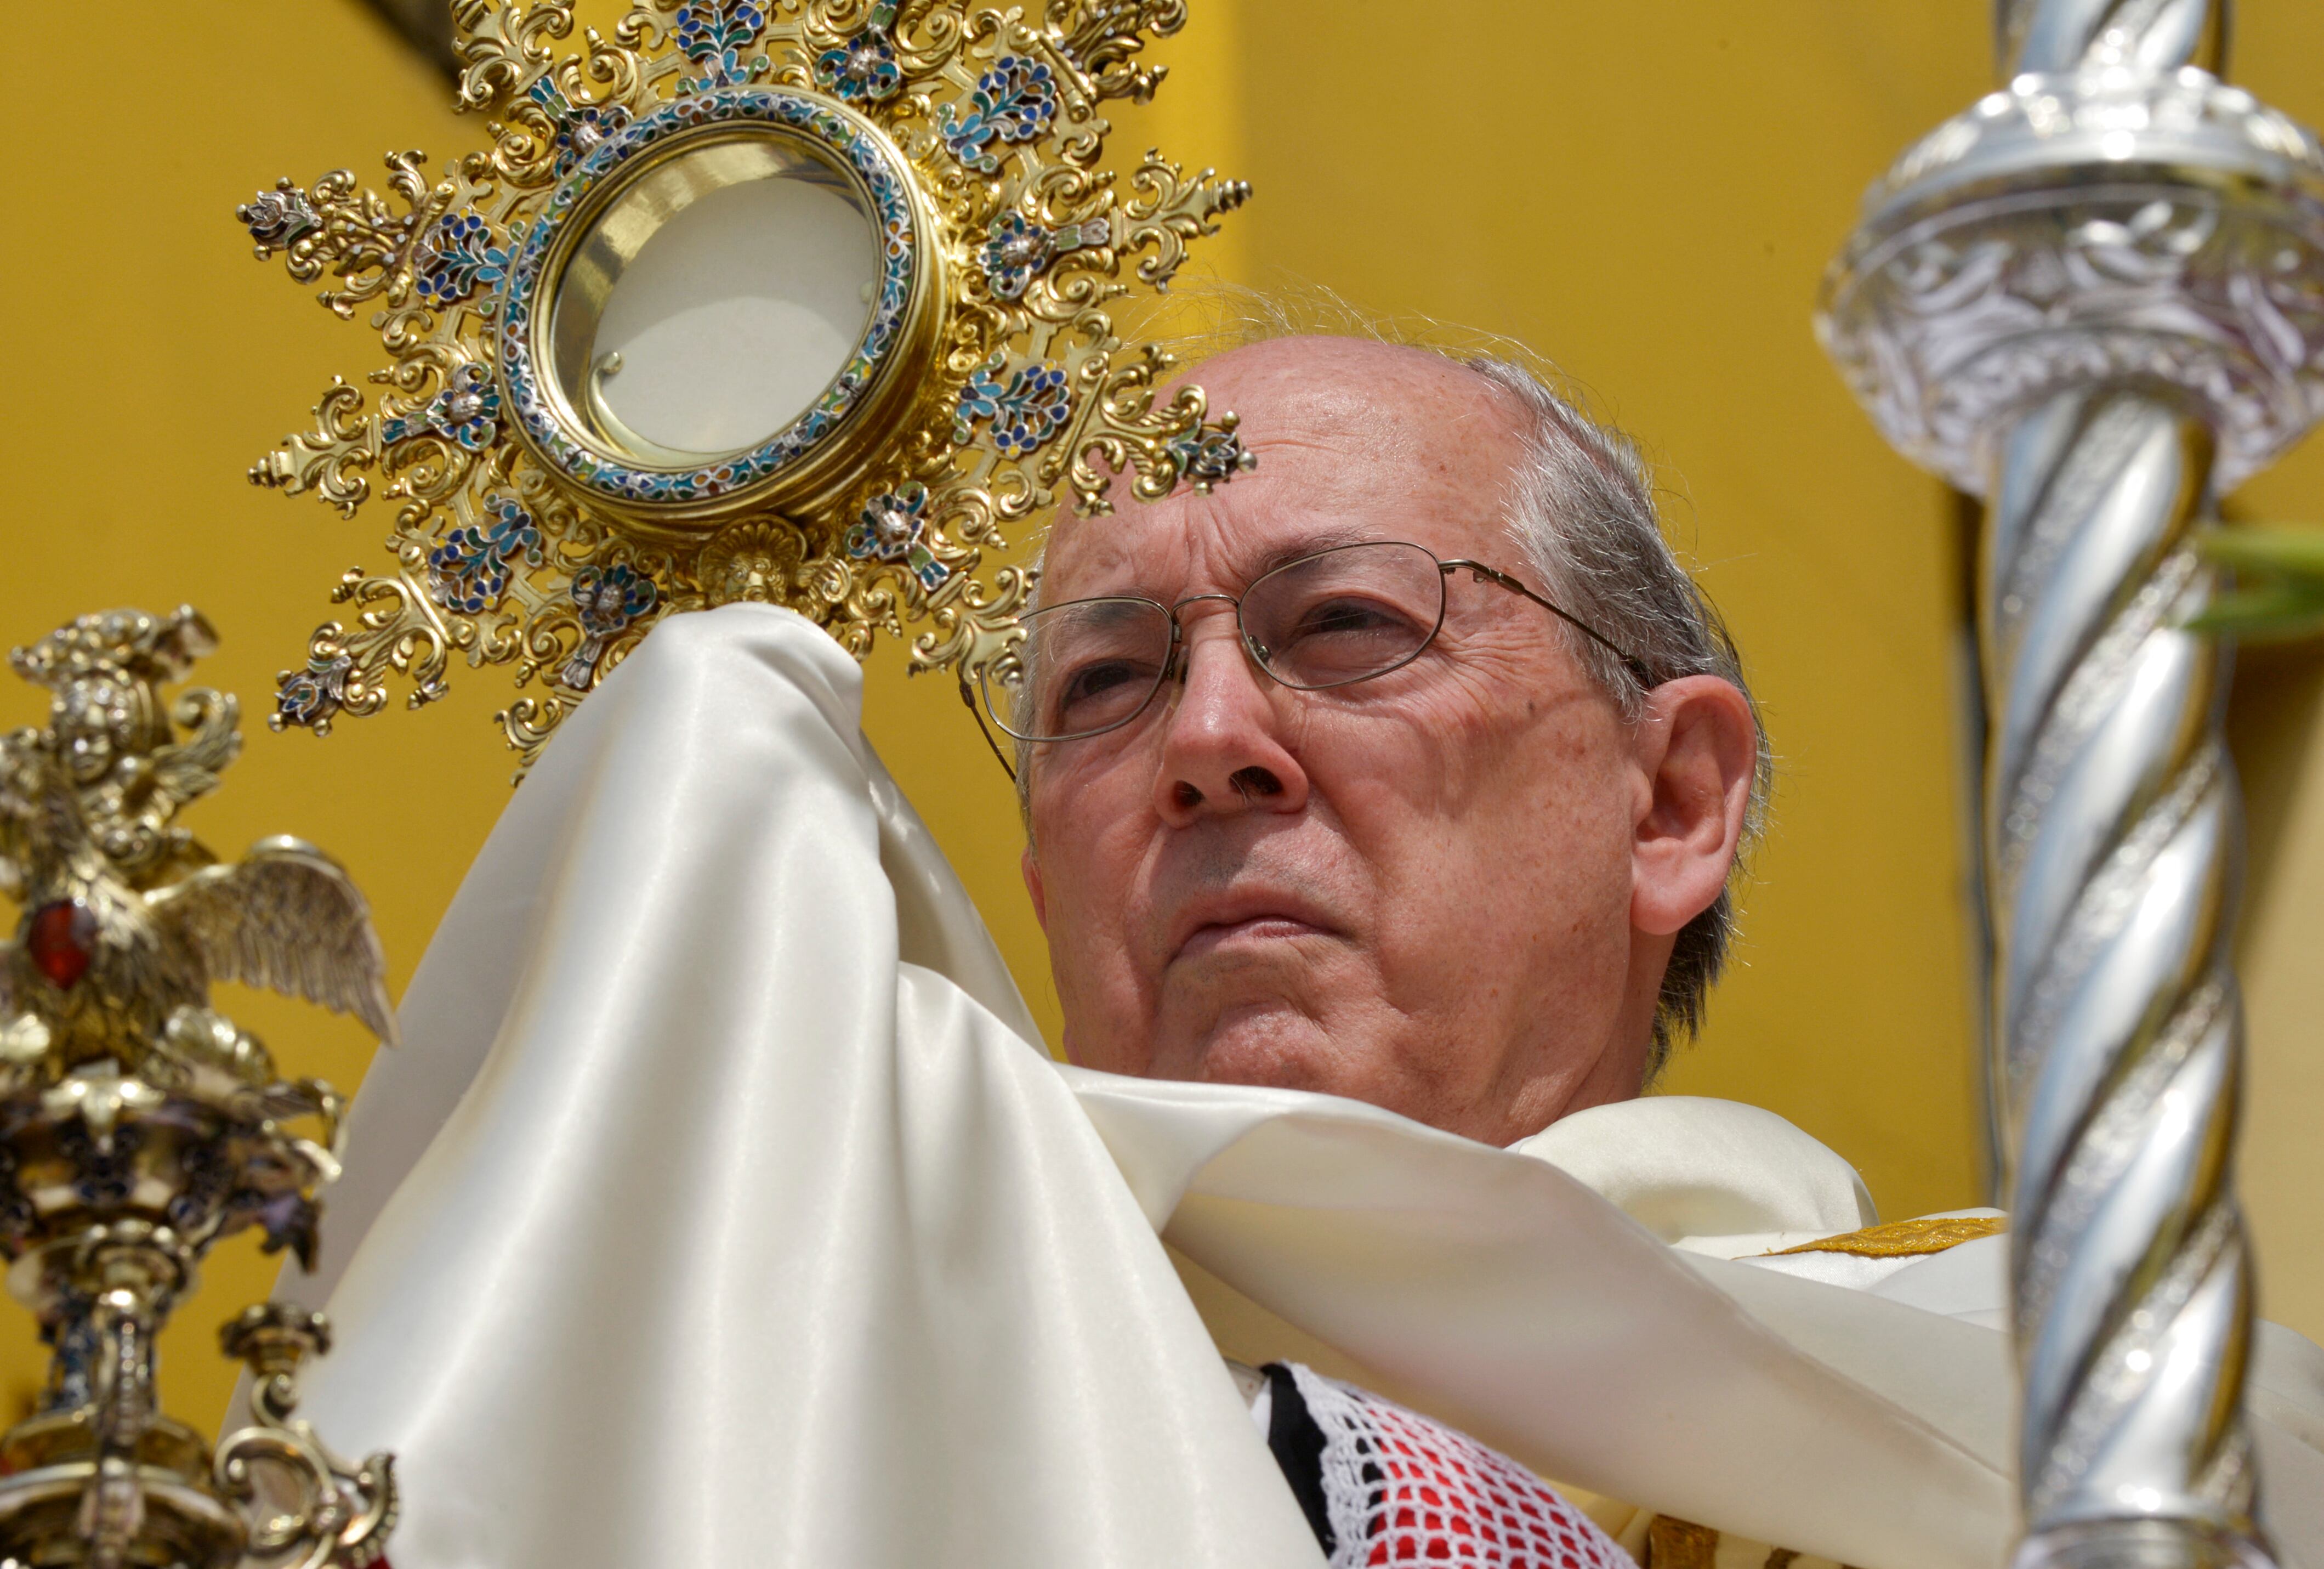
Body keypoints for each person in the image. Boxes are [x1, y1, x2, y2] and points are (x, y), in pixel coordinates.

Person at [280, 314, 2324, 1569]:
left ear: (1674, 802)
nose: (1207, 746)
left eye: (1349, 628)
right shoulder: (778, 1368)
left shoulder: (2078, 1413)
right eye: (1103, 685)